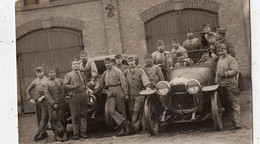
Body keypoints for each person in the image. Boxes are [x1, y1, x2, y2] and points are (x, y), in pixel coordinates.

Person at [94, 57, 130, 136]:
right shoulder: (105, 73)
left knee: (121, 110)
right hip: (109, 91)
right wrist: (95, 92)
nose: (107, 65)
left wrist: (126, 93)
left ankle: (123, 129)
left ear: (112, 63)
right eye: (106, 63)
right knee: (111, 111)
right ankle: (125, 123)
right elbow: (101, 84)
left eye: (108, 63)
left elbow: (123, 82)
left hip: (118, 89)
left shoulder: (118, 71)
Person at [215, 44, 241, 129]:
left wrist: (225, 74)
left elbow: (235, 71)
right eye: (219, 50)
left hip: (230, 85)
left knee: (233, 103)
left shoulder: (231, 59)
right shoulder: (219, 60)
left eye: (223, 50)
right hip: (221, 85)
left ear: (226, 50)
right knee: (226, 105)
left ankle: (237, 123)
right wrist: (216, 82)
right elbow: (217, 73)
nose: (221, 52)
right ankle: (231, 122)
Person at [124, 56, 151, 133]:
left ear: (134, 62)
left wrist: (147, 86)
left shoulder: (140, 70)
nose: (131, 63)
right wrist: (126, 93)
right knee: (132, 111)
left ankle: (136, 127)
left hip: (140, 94)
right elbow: (123, 82)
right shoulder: (126, 72)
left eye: (132, 61)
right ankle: (139, 128)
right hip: (130, 95)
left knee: (137, 110)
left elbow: (145, 79)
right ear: (127, 63)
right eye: (129, 62)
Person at [63, 59, 88, 140]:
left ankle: (83, 133)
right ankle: (76, 133)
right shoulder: (69, 75)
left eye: (77, 63)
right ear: (71, 66)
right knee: (75, 115)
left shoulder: (82, 74)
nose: (76, 65)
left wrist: (86, 91)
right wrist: (73, 86)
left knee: (83, 114)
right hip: (74, 96)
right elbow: (65, 86)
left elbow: (85, 84)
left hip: (83, 95)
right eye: (74, 64)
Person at [143, 53, 172, 120]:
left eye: (149, 58)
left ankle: (166, 109)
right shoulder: (143, 68)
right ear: (144, 60)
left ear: (152, 59)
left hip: (157, 87)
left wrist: (159, 86)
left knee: (161, 96)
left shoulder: (156, 67)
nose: (148, 60)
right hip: (148, 88)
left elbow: (162, 79)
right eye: (146, 58)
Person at [44, 68, 68, 141]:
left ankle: (64, 133)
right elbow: (47, 95)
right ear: (48, 74)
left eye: (53, 72)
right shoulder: (46, 83)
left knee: (62, 118)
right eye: (50, 72)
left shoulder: (59, 80)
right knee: (54, 119)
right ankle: (57, 134)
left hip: (61, 103)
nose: (52, 74)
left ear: (55, 73)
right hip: (52, 106)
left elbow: (66, 86)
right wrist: (53, 103)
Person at [26, 67, 49, 141]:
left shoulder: (47, 80)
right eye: (37, 72)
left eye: (40, 72)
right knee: (39, 118)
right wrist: (30, 99)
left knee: (44, 118)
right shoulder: (35, 81)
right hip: (36, 102)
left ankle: (38, 133)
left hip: (44, 102)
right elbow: (28, 89)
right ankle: (43, 133)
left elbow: (49, 92)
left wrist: (42, 97)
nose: (39, 73)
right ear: (36, 73)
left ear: (43, 72)